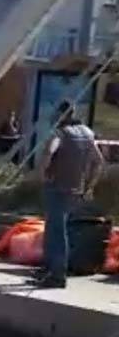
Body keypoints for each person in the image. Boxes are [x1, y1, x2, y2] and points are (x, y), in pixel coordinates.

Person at [35, 101, 105, 289]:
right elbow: (99, 161)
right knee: (55, 228)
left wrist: (42, 173)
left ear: (61, 114)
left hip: (57, 186)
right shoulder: (87, 133)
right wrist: (89, 186)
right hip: (76, 189)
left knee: (56, 231)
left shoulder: (60, 133)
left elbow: (50, 151)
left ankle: (57, 274)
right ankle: (48, 269)